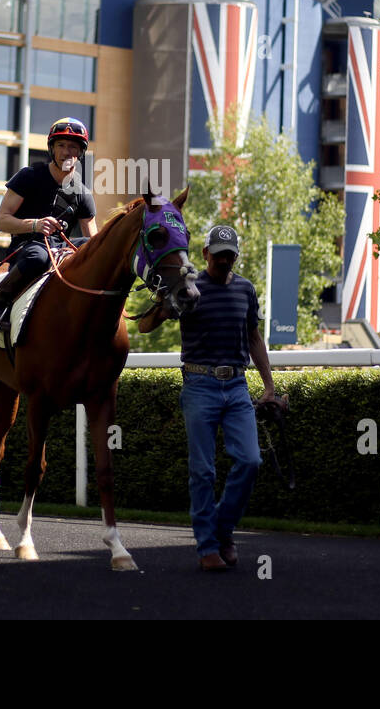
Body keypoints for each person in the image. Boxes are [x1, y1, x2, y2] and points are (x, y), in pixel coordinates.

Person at [139, 223, 279, 572]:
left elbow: (254, 338)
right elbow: (144, 327)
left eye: (230, 255)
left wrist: (270, 386)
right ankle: (208, 547)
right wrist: (162, 303)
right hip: (199, 384)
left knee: (250, 461)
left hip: (236, 386)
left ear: (236, 255)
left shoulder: (246, 289)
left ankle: (222, 529)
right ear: (205, 255)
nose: (224, 261)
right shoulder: (189, 287)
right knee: (202, 471)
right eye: (218, 256)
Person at [0, 116, 98, 330]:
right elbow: (1, 221)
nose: (66, 152)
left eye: (73, 147)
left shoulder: (82, 192)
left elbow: (94, 240)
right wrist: (35, 225)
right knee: (39, 256)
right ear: (52, 149)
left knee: (89, 248)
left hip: (61, 250)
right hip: (27, 248)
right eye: (61, 145)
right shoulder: (29, 176)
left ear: (80, 153)